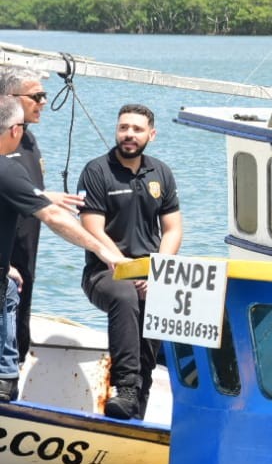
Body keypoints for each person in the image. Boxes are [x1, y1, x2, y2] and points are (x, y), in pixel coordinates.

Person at [0, 96, 127, 403]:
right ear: (16, 130)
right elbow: (54, 217)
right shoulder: (7, 168)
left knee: (7, 287)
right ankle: (4, 385)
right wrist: (102, 249)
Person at [78, 103, 182, 420]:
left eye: (137, 129)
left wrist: (158, 274)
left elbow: (173, 229)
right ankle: (124, 387)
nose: (129, 134)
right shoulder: (97, 171)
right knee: (126, 296)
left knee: (156, 308)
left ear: (151, 134)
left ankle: (136, 408)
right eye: (124, 127)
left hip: (150, 273)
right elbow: (92, 229)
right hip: (105, 272)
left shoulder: (160, 172)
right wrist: (125, 267)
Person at [0, 66, 80, 373]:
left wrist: (46, 195)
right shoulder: (6, 143)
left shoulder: (29, 142)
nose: (44, 102)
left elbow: (25, 192)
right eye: (37, 96)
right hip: (7, 255)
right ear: (10, 98)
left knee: (20, 325)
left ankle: (15, 381)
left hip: (27, 250)